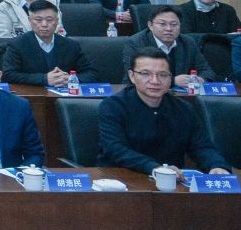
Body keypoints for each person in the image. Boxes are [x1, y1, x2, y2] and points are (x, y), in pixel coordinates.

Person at [99, 49, 232, 175]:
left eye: (163, 75)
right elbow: (115, 149)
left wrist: (216, 165)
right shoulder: (113, 106)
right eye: (145, 74)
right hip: (121, 179)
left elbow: (201, 146)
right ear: (132, 76)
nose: (155, 81)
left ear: (170, 78)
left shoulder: (183, 108)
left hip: (171, 182)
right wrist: (154, 167)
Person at [0, 0, 93, 88]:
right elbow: (8, 75)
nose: (44, 24)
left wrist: (71, 79)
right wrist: (43, 79)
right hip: (32, 95)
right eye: (38, 20)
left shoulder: (71, 45)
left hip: (65, 95)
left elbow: (91, 73)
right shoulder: (17, 44)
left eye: (49, 20)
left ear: (57, 21)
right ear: (29, 20)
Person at [121, 7, 211, 90]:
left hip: (180, 97)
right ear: (150, 25)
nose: (169, 28)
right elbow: (134, 76)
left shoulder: (187, 42)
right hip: (146, 94)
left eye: (174, 24)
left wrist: (200, 79)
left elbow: (207, 71)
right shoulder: (136, 43)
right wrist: (173, 81)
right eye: (162, 24)